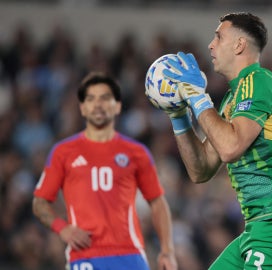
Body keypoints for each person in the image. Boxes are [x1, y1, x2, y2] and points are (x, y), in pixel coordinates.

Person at [159, 12, 272, 269]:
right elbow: (200, 170)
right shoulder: (230, 101)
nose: (210, 45)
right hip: (257, 227)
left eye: (218, 37)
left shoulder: (259, 82)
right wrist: (179, 116)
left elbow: (230, 148)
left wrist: (196, 96)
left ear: (239, 45)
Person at [32, 72, 177, 270]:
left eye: (105, 98)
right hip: (85, 255)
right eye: (90, 99)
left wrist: (167, 251)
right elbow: (40, 201)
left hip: (129, 254)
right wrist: (62, 228)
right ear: (82, 108)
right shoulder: (63, 152)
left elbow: (158, 202)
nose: (98, 104)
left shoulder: (136, 152)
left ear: (117, 106)